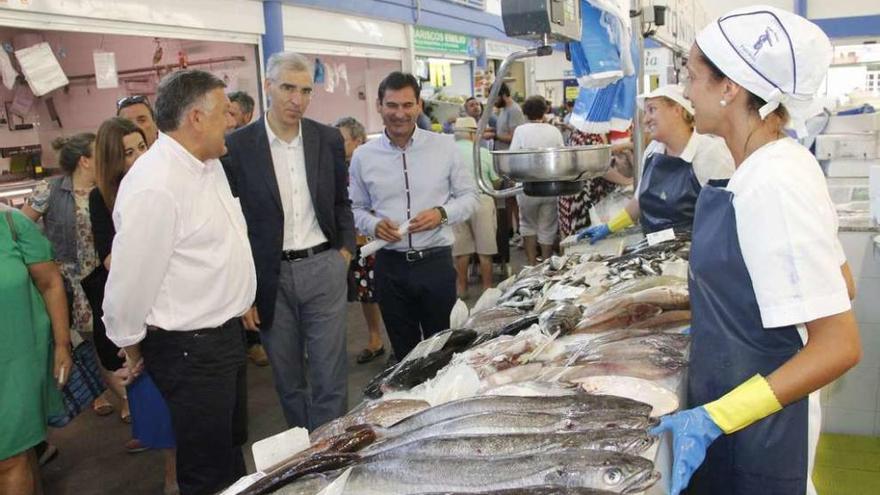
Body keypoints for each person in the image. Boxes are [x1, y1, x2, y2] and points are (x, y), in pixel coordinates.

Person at [652, 7, 862, 495]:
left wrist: (716, 418)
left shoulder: (774, 182)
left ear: (731, 88)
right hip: (745, 405)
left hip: (759, 430)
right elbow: (841, 283)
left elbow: (839, 345)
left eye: (693, 78)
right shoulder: (767, 165)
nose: (685, 93)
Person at [103, 70, 256, 495]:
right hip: (191, 349)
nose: (232, 118)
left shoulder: (207, 165)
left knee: (228, 453)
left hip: (223, 338)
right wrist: (131, 343)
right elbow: (128, 284)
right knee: (207, 472)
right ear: (195, 118)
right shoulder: (155, 184)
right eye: (225, 111)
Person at [223, 52, 355, 431]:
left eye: (305, 91)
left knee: (331, 374)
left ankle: (332, 452)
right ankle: (305, 448)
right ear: (267, 86)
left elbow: (340, 201)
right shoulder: (238, 147)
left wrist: (344, 251)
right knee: (287, 376)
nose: (297, 100)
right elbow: (233, 223)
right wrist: (245, 289)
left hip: (324, 266)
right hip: (270, 276)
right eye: (287, 88)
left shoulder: (326, 138)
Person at [349, 71, 478, 360]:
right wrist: (373, 224)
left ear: (418, 105)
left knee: (444, 351)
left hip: (435, 265)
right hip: (389, 268)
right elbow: (355, 208)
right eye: (392, 105)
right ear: (379, 106)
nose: (400, 113)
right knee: (404, 356)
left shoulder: (444, 147)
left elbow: (470, 197)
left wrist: (441, 213)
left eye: (407, 105)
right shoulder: (363, 156)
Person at [89, 116, 178, 495]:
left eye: (142, 146)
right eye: (128, 152)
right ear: (113, 160)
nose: (139, 156)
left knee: (174, 397)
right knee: (151, 389)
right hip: (135, 310)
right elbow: (112, 260)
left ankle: (174, 474)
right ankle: (170, 467)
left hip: (168, 308)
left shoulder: (162, 184)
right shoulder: (101, 198)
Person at [21, 134, 127, 422]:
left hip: (100, 274)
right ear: (85, 160)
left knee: (105, 336)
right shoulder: (52, 189)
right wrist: (40, 258)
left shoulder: (103, 190)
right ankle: (111, 394)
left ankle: (117, 391)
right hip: (69, 280)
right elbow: (21, 225)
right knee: (88, 339)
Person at [577, 84, 734, 243]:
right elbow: (639, 202)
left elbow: (724, 219)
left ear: (677, 110)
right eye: (645, 112)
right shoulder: (653, 151)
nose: (645, 119)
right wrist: (609, 227)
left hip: (694, 257)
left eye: (652, 110)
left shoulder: (711, 153)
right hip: (657, 254)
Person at [0, 205, 71, 495]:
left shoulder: (11, 224)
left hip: (16, 361)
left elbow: (51, 283)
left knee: (9, 458)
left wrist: (63, 345)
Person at [335, 116, 387, 364]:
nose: (337, 144)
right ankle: (375, 339)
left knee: (386, 293)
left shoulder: (372, 164)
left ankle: (397, 340)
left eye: (341, 139)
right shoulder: (339, 167)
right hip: (355, 243)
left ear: (358, 140)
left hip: (378, 240)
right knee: (367, 294)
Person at [510, 95, 564, 265]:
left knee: (527, 225)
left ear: (525, 112)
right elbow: (562, 157)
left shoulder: (521, 131)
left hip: (527, 187)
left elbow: (512, 156)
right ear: (545, 110)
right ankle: (547, 264)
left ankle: (532, 265)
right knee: (547, 227)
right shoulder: (554, 131)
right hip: (550, 186)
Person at [452, 116, 499, 296]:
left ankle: (462, 288)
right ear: (474, 135)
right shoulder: (482, 152)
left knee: (461, 250)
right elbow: (495, 181)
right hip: (481, 200)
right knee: (484, 249)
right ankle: (487, 289)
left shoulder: (448, 154)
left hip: (456, 204)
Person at [492, 83, 525, 151]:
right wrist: (492, 131)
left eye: (495, 98)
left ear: (503, 95)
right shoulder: (504, 109)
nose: (493, 101)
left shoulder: (514, 110)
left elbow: (515, 137)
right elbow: (504, 131)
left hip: (509, 154)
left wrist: (494, 136)